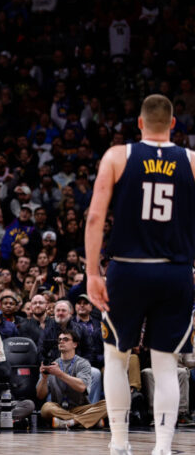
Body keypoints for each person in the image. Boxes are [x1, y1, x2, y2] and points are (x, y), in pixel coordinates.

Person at [85, 94, 195, 455]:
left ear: (140, 123)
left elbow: (95, 218)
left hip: (128, 270)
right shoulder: (191, 160)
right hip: (176, 271)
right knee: (165, 363)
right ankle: (162, 447)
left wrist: (92, 272)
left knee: (116, 356)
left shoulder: (119, 156)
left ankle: (119, 444)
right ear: (174, 125)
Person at [36, 330, 107, 429]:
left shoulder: (82, 363)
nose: (61, 342)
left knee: (108, 405)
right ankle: (87, 421)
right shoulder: (52, 365)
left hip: (80, 408)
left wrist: (60, 374)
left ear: (75, 344)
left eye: (65, 339)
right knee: (46, 408)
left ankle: (70, 422)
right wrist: (44, 378)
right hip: (59, 408)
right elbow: (40, 395)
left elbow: (82, 387)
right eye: (60, 340)